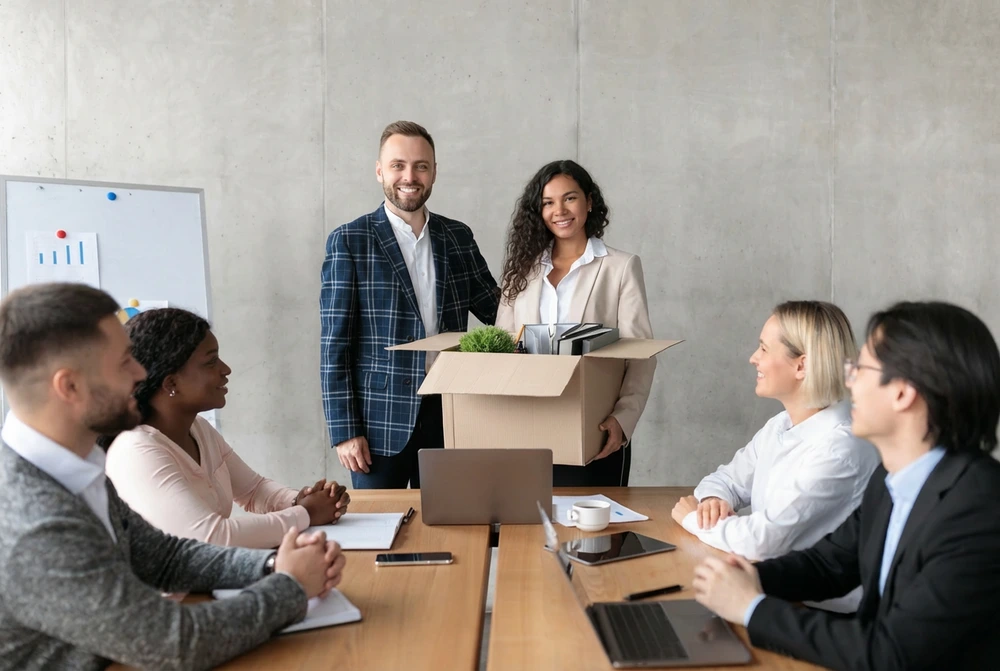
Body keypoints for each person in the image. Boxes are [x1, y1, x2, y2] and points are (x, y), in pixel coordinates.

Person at [0, 283, 346, 670]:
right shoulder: (36, 522)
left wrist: (272, 566)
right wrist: (291, 586)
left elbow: (165, 557)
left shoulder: (73, 468)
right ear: (70, 386)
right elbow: (175, 643)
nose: (140, 373)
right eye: (124, 362)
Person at [692, 301, 1000, 671]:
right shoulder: (892, 477)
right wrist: (749, 578)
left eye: (860, 369)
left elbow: (891, 654)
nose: (848, 380)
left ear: (903, 393)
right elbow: (830, 564)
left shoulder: (979, 511)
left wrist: (751, 607)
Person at [321, 120, 499, 489]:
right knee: (381, 524)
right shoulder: (350, 240)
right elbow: (334, 345)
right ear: (379, 171)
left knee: (447, 521)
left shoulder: (458, 236)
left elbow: (498, 309)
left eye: (421, 166)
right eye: (398, 165)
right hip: (378, 423)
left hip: (448, 414)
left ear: (434, 172)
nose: (410, 176)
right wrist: (344, 430)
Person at [671, 301, 879, 611]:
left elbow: (763, 540)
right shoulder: (779, 425)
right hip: (777, 594)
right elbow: (725, 479)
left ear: (802, 366)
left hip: (820, 613)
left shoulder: (841, 446)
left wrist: (693, 519)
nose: (753, 358)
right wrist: (714, 501)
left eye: (764, 349)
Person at [104, 308, 349, 549]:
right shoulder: (136, 450)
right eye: (211, 362)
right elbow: (211, 537)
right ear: (171, 383)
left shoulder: (198, 429)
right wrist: (306, 513)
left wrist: (301, 499)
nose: (226, 369)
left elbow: (254, 490)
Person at [495, 159, 655, 486]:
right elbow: (501, 347)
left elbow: (641, 354)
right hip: (527, 426)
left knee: (594, 517)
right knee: (529, 517)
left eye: (569, 198)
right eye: (548, 202)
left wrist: (623, 419)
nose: (560, 210)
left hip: (595, 428)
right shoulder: (521, 271)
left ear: (589, 201)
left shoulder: (620, 267)